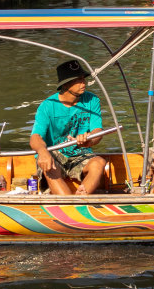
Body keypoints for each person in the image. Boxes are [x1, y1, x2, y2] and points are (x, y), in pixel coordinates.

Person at [29, 60, 108, 195]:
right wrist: (42, 151)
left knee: (99, 162)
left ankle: (80, 198)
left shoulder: (92, 100)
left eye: (83, 78)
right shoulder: (47, 106)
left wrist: (90, 140)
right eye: (78, 80)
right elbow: (36, 137)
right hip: (55, 156)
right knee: (49, 165)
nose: (84, 83)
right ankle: (71, 205)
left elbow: (97, 131)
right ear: (65, 84)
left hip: (81, 155)